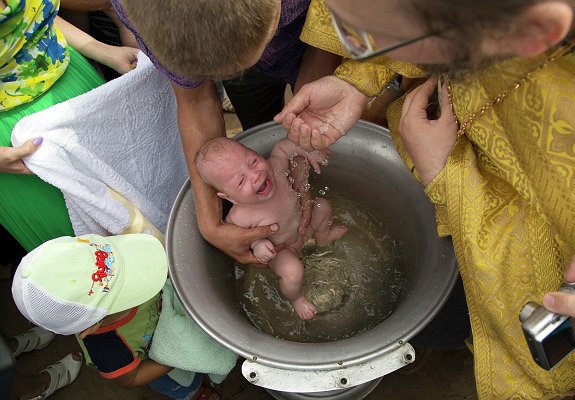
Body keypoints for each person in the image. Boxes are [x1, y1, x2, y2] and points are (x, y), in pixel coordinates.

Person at [274, 0, 575, 398]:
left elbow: (534, 261)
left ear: (532, 32)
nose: (357, 47)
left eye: (368, 39)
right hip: (440, 137)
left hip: (509, 268)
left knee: (457, 313)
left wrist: (445, 175)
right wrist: (358, 78)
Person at [109, 0, 343, 267]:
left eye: (254, 162)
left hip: (309, 36)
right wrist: (210, 223)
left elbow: (328, 37)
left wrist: (304, 131)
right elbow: (195, 99)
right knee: (255, 106)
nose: (254, 174)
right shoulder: (140, 11)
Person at [10, 233, 219, 400]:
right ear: (90, 327)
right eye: (125, 290)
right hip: (155, 362)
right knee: (179, 383)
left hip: (163, 317)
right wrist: (178, 359)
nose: (136, 275)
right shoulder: (109, 349)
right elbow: (131, 378)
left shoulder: (99, 266)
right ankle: (191, 392)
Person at [1, 0, 139, 252]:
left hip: (75, 81)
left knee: (137, 202)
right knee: (93, 258)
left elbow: (39, 14)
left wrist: (104, 51)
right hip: (14, 138)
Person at [195, 137, 347, 320]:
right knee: (292, 271)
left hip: (304, 226)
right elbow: (239, 237)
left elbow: (284, 147)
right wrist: (258, 244)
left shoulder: (276, 168)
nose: (255, 175)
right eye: (241, 181)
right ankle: (296, 298)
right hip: (282, 248)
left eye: (253, 161)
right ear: (230, 197)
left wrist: (308, 151)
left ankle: (323, 237)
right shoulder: (240, 215)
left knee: (322, 206)